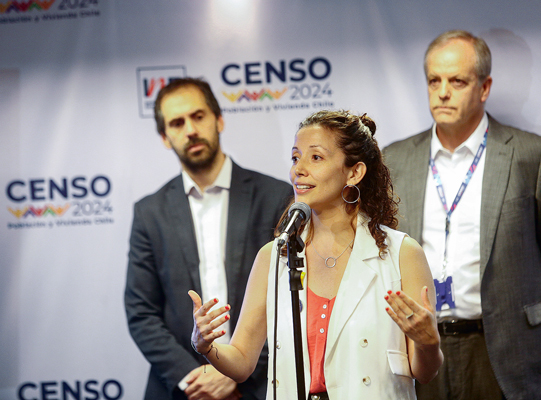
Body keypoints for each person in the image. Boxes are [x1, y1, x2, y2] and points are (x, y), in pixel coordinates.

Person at [188, 110, 444, 400]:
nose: (298, 169)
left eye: (316, 158)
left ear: (354, 172)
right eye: (296, 157)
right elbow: (242, 361)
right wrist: (206, 346)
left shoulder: (401, 254)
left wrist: (428, 342)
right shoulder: (275, 256)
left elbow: (424, 371)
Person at [383, 30, 541, 400]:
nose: (443, 92)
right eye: (434, 80)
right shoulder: (393, 160)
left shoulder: (531, 156)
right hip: (422, 350)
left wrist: (521, 313)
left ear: (484, 87)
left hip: (505, 350)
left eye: (457, 81)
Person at [124, 77, 292, 400]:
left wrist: (237, 372)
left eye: (198, 116)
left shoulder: (275, 197)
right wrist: (195, 377)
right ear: (164, 137)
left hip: (260, 385)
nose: (190, 130)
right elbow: (140, 311)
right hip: (185, 389)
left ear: (219, 119)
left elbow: (291, 304)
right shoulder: (149, 213)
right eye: (177, 122)